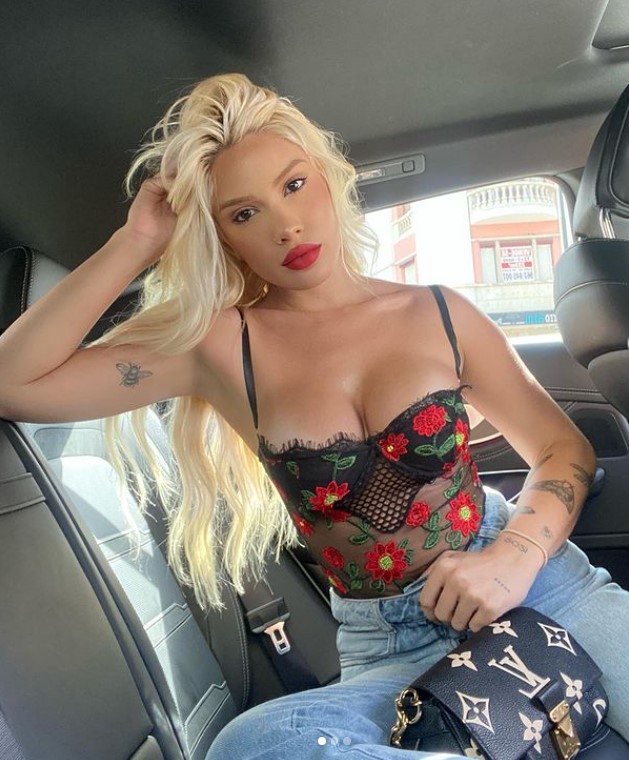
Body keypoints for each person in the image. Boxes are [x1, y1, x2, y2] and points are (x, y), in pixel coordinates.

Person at [0, 73, 627, 759]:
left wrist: (513, 557)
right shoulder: (220, 346)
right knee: (255, 745)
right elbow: (13, 384)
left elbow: (562, 450)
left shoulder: (442, 314)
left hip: (536, 582)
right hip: (394, 643)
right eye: (244, 214)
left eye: (294, 185)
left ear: (329, 178)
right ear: (224, 237)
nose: (286, 226)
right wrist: (137, 240)